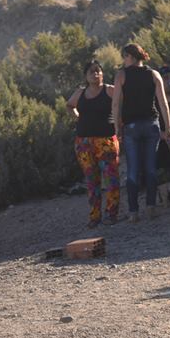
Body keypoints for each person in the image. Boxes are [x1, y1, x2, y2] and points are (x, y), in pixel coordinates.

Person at [112, 44, 170, 222]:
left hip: (131, 126)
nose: (123, 61)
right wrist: (168, 127)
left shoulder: (121, 75)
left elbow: (116, 104)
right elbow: (163, 103)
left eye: (124, 57)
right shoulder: (154, 74)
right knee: (150, 168)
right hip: (151, 124)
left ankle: (133, 212)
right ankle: (151, 207)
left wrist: (116, 127)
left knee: (132, 170)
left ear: (129, 56)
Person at [67, 60, 120, 227]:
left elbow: (121, 107)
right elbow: (69, 105)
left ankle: (111, 214)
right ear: (85, 76)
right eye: (91, 72)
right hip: (84, 142)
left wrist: (118, 124)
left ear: (103, 73)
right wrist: (77, 117)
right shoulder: (80, 93)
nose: (95, 74)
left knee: (111, 179)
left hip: (106, 140)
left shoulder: (110, 90)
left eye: (98, 71)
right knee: (91, 180)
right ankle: (95, 216)